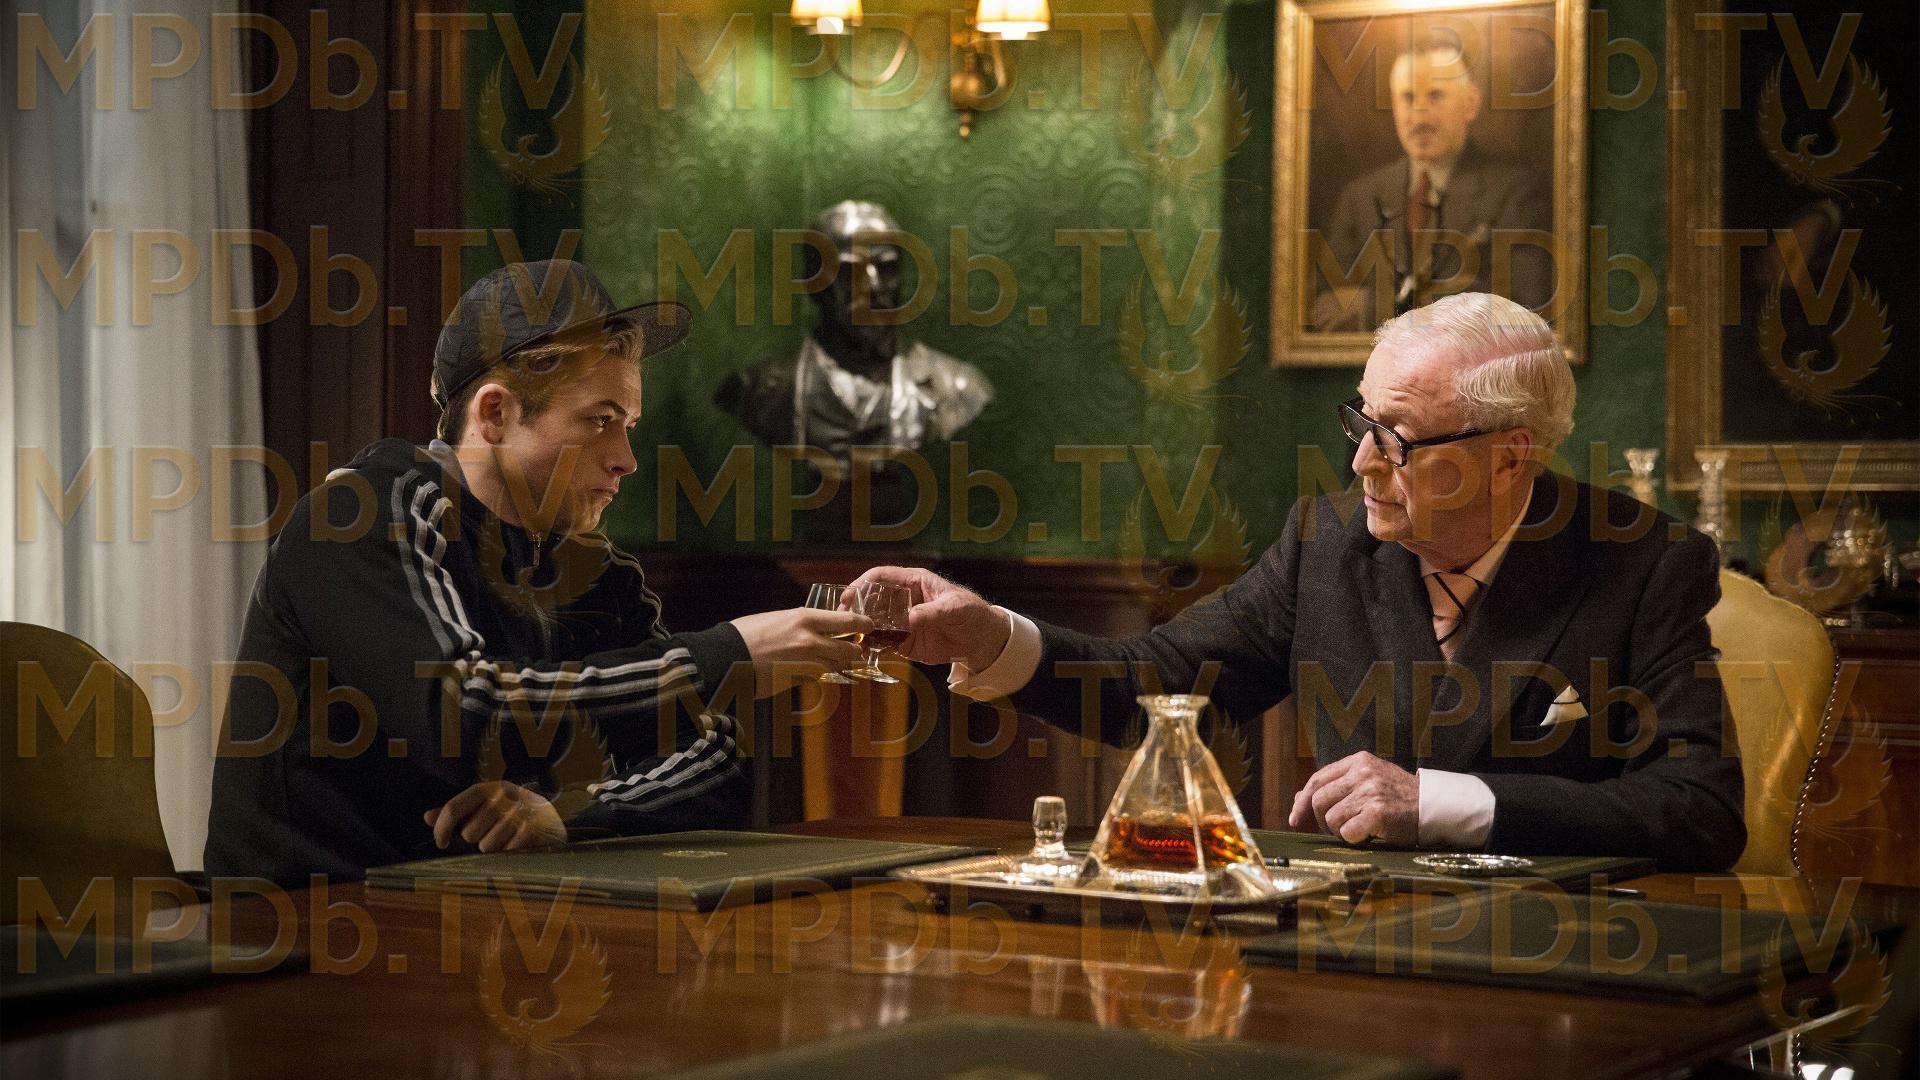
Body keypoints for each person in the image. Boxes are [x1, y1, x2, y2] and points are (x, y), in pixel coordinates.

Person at [851, 293, 1746, 872]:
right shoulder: (1327, 543)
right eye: (1360, 421)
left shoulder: (1643, 562)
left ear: (1511, 458)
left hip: (1567, 970)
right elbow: (1156, 686)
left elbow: (1698, 809)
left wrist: (1433, 802)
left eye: (1396, 439)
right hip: (1358, 951)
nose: (1361, 462)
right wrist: (991, 637)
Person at [206, 260, 869, 887]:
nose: (626, 459)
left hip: (484, 922)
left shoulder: (594, 568)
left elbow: (712, 760)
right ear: (495, 414)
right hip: (312, 927)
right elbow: (463, 715)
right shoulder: (365, 511)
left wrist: (571, 814)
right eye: (600, 422)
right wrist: (732, 655)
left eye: (629, 425)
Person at [714, 200, 992, 541]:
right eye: (849, 271)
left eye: (886, 268)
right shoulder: (760, 391)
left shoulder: (958, 386)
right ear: (814, 283)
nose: (872, 286)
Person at [1315, 44, 1552, 330]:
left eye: (1435, 96)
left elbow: (1518, 306)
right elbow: (1327, 308)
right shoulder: (1360, 198)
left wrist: (1376, 305)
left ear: (1470, 103)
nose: (1419, 117)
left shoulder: (1514, 192)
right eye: (1408, 98)